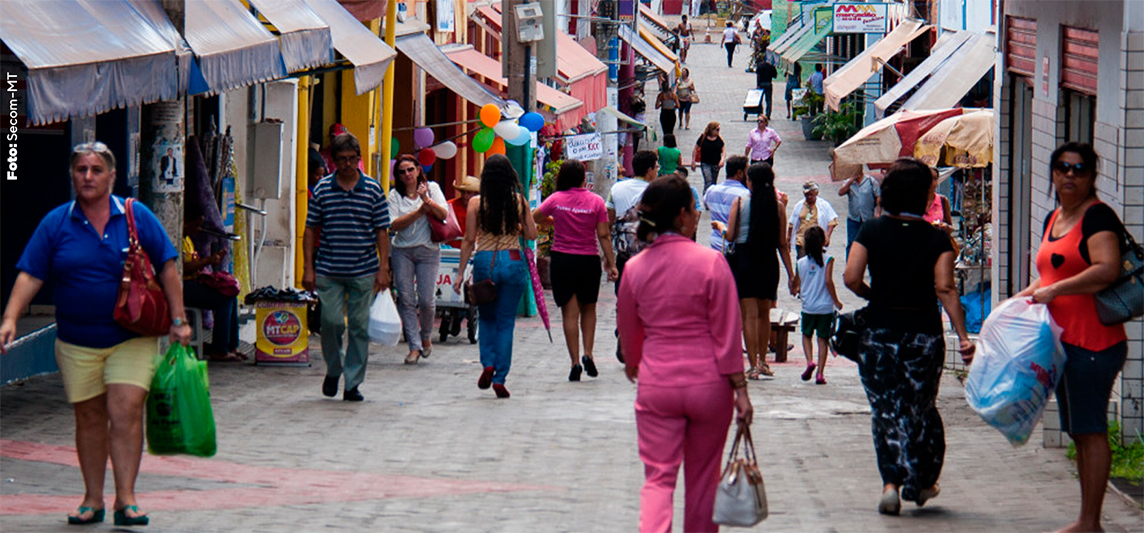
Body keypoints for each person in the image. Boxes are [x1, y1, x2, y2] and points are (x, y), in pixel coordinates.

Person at [0, 141, 192, 527]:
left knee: (125, 411)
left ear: (112, 176)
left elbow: (168, 266)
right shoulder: (56, 223)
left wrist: (179, 319)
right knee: (88, 417)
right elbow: (32, 273)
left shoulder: (136, 215)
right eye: (80, 170)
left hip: (131, 336)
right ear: (72, 175)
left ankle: (127, 499)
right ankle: (92, 499)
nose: (87, 177)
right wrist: (10, 317)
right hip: (76, 341)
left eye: (96, 170)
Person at [617, 175, 753, 533]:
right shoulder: (711, 263)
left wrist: (635, 363)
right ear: (680, 215)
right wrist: (740, 390)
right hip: (710, 386)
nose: (697, 216)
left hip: (657, 382)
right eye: (694, 209)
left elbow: (630, 335)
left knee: (658, 479)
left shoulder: (635, 268)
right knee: (704, 480)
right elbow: (728, 333)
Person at [842, 157, 974, 515]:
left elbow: (851, 278)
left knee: (884, 411)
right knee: (920, 410)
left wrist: (877, 297)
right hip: (923, 337)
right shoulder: (937, 239)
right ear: (922, 195)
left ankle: (890, 484)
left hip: (878, 335)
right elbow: (946, 288)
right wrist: (963, 337)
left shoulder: (870, 231)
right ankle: (921, 480)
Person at [1013, 143, 1128, 533]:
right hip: (1064, 344)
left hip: (1094, 343)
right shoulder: (1055, 216)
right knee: (1078, 431)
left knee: (1091, 429)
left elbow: (1107, 270)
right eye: (1063, 168)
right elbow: (1048, 276)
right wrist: (1023, 297)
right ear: (1053, 172)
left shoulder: (1098, 218)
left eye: (1079, 169)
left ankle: (1090, 523)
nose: (1069, 176)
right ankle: (1085, 519)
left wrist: (1055, 291)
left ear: (1092, 176)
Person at [303, 132, 391, 402]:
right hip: (329, 268)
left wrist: (383, 267)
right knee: (329, 323)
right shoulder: (322, 189)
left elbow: (382, 231)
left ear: (359, 159)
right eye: (342, 159)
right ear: (334, 161)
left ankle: (352, 383)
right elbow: (310, 230)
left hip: (363, 269)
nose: (347, 164)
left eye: (352, 159)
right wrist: (308, 268)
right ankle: (334, 369)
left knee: (358, 326)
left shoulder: (373, 190)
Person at [453, 154, 539, 399]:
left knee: (487, 319)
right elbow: (532, 235)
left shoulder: (476, 204)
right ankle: (500, 376)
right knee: (506, 323)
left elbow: (469, 240)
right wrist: (519, 226)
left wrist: (460, 274)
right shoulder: (519, 202)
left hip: (485, 260)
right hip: (512, 260)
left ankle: (488, 363)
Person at [533, 160, 619, 382]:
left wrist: (555, 221)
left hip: (562, 259)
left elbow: (534, 218)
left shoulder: (556, 199)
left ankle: (574, 363)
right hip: (588, 261)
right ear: (583, 178)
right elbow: (603, 235)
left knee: (569, 313)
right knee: (589, 309)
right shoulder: (596, 201)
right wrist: (611, 262)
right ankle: (588, 353)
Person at [714, 162, 795, 379]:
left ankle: (752, 365)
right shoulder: (778, 206)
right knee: (764, 315)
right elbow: (782, 244)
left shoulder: (740, 202)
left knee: (748, 316)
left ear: (750, 181)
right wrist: (792, 275)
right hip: (768, 262)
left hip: (744, 261)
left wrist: (721, 228)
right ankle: (763, 362)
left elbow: (730, 236)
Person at [388, 154, 448, 365]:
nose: (407, 175)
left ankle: (426, 337)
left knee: (426, 300)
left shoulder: (431, 188)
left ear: (418, 170)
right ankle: (413, 346)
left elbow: (443, 214)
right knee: (405, 299)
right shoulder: (395, 196)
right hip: (402, 250)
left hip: (428, 250)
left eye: (410, 170)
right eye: (402, 172)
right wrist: (419, 212)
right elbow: (393, 224)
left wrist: (426, 202)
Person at [607, 150, 658, 362]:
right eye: (656, 167)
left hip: (624, 253)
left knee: (623, 296)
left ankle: (624, 329)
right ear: (648, 171)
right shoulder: (657, 191)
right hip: (649, 256)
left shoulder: (617, 188)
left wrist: (608, 255)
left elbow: (608, 221)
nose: (657, 171)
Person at [182, 205, 242, 362]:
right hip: (181, 287)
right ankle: (219, 349)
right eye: (196, 225)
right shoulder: (176, 240)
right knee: (224, 300)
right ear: (184, 222)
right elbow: (181, 268)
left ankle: (231, 346)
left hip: (193, 281)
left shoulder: (187, 240)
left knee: (231, 295)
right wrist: (207, 261)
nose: (198, 229)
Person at [792, 226, 842, 385]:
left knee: (806, 335)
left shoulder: (800, 263)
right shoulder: (828, 259)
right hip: (825, 307)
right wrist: (836, 301)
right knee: (822, 339)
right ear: (822, 243)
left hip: (808, 306)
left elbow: (796, 285)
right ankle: (820, 373)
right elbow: (828, 281)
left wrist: (796, 287)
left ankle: (809, 362)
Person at [703, 155, 751, 254]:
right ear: (740, 173)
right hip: (735, 249)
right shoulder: (745, 196)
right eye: (747, 172)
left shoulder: (711, 190)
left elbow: (706, 204)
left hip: (715, 246)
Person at [837, 169, 881, 259]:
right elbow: (840, 192)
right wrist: (850, 181)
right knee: (852, 243)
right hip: (854, 218)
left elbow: (878, 197)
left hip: (868, 218)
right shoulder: (849, 182)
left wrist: (878, 213)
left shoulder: (871, 181)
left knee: (870, 243)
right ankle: (849, 268)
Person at [787, 181, 838, 258]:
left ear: (816, 193)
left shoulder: (824, 205)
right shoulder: (799, 205)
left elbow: (831, 222)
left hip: (817, 241)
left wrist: (827, 236)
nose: (808, 197)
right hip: (802, 240)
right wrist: (788, 239)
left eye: (811, 195)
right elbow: (792, 223)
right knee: (802, 263)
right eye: (806, 195)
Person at [446, 175, 480, 249]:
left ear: (476, 194)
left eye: (469, 193)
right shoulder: (450, 205)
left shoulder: (481, 208)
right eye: (463, 192)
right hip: (450, 250)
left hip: (473, 249)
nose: (465, 196)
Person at [691, 122, 726, 193]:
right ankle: (706, 195)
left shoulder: (719, 139)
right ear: (711, 129)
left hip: (716, 163)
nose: (718, 131)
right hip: (705, 162)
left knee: (713, 182)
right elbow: (695, 148)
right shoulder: (703, 137)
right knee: (708, 180)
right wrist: (693, 161)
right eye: (717, 129)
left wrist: (722, 160)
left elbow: (723, 150)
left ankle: (711, 195)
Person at [923, 167, 953, 232]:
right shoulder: (913, 201)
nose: (932, 182)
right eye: (928, 178)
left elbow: (950, 227)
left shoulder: (943, 200)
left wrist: (946, 227)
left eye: (935, 179)